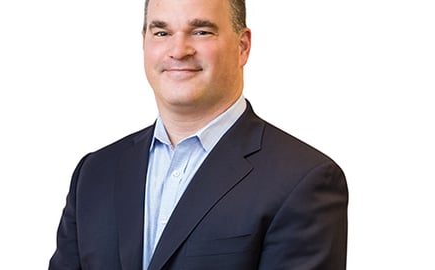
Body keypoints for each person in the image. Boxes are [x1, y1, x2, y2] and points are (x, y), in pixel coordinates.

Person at [49, 0, 348, 269]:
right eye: (161, 33)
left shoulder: (303, 180)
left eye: (201, 31)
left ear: (242, 46)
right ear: (144, 43)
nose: (178, 50)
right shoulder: (95, 173)